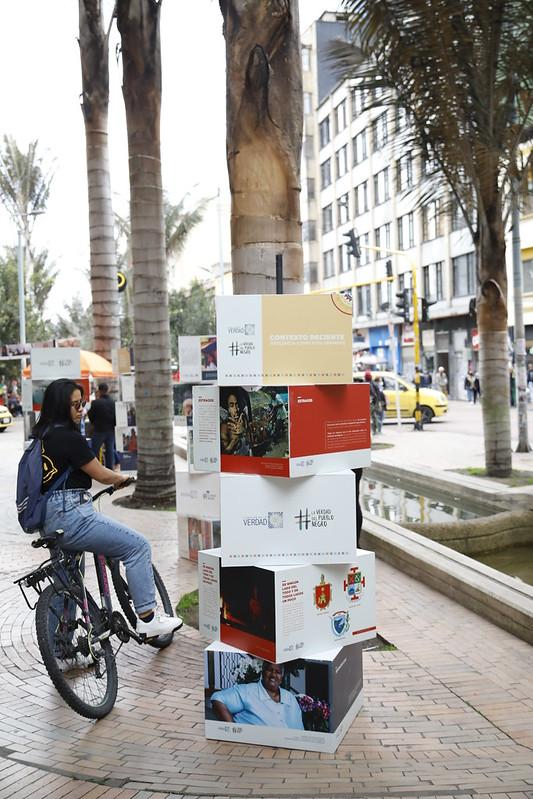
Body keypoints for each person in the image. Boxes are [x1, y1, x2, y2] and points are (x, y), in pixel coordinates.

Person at [33, 378, 182, 639]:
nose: (81, 409)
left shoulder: (39, 437)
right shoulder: (68, 437)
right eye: (75, 404)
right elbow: (100, 473)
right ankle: (147, 618)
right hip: (73, 515)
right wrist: (122, 478)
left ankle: (59, 646)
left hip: (48, 518)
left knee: (67, 580)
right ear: (60, 406)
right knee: (137, 547)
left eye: (83, 403)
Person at [211, 661, 304, 730]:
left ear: (282, 677)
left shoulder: (290, 697)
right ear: (262, 672)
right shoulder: (248, 691)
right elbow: (218, 699)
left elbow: (300, 730)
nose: (273, 675)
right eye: (269, 670)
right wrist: (233, 731)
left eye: (278, 672)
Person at [88, 383, 116, 470]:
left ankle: (95, 469)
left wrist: (94, 423)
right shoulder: (113, 402)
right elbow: (116, 416)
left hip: (99, 430)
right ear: (107, 390)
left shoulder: (96, 403)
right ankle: (110, 469)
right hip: (110, 430)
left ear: (99, 391)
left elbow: (90, 415)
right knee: (110, 450)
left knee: (94, 450)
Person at [220, 389, 253, 455]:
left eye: (237, 405)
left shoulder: (243, 418)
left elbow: (251, 441)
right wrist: (234, 441)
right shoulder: (224, 427)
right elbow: (224, 452)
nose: (236, 409)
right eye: (232, 406)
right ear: (227, 408)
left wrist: (243, 430)